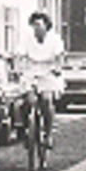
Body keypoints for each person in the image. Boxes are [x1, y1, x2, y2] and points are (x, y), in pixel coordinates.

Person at [17, 11, 65, 146]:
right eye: (33, 25)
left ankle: (48, 134)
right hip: (31, 72)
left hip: (48, 72)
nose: (36, 28)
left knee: (46, 99)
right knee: (28, 101)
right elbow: (19, 54)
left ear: (46, 26)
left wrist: (58, 68)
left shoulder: (54, 39)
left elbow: (60, 56)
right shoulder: (26, 38)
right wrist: (18, 67)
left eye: (38, 25)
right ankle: (27, 129)